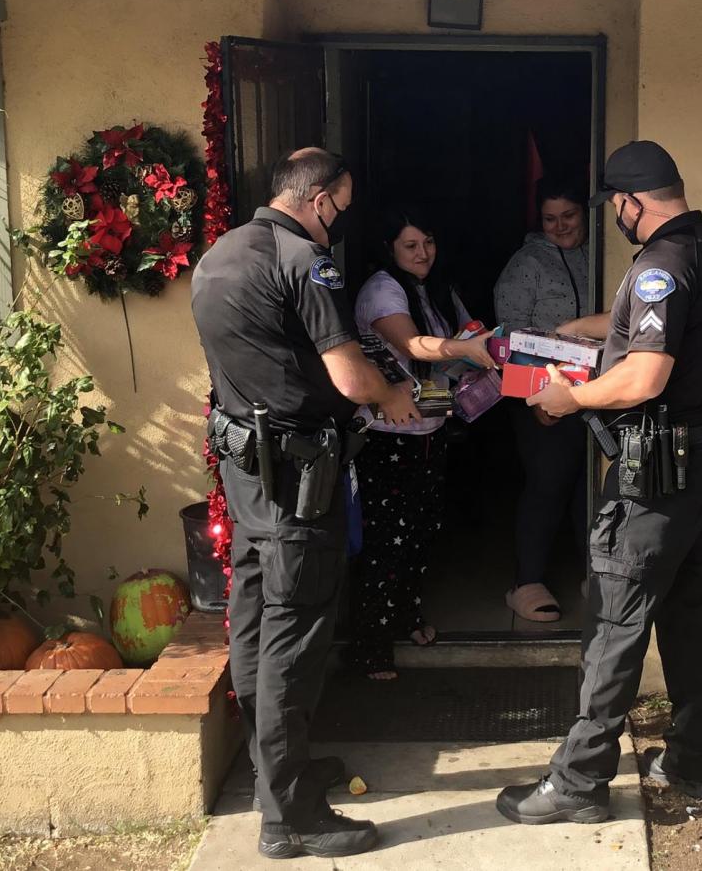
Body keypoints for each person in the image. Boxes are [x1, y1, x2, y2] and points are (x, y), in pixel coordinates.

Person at [495, 141, 702, 824]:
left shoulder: (658, 267)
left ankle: (577, 785)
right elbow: (668, 328)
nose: (617, 220)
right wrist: (589, 328)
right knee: (692, 609)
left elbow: (645, 375)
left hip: (656, 476)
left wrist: (569, 400)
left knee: (613, 621)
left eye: (617, 208)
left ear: (634, 202)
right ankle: (694, 760)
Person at [192, 148, 416, 859]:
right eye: (342, 208)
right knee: (294, 642)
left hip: (247, 476)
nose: (340, 223)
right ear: (320, 201)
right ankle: (289, 819)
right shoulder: (303, 261)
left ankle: (276, 774)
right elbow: (350, 377)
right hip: (297, 483)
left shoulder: (221, 255)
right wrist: (393, 395)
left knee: (257, 628)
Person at [346, 203, 494, 680]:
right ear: (389, 248)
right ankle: (371, 647)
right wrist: (464, 348)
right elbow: (412, 346)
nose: (422, 252)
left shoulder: (435, 287)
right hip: (389, 436)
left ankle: (405, 617)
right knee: (385, 542)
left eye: (428, 242)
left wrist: (484, 344)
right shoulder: (382, 290)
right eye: (410, 245)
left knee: (421, 533)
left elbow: (466, 336)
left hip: (428, 428)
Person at [493, 176, 590, 622]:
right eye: (550, 218)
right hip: (542, 394)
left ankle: (597, 575)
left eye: (568, 215)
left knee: (594, 486)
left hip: (598, 391)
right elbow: (510, 335)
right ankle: (525, 581)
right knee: (548, 482)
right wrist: (536, 398)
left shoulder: (602, 251)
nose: (560, 226)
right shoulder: (525, 263)